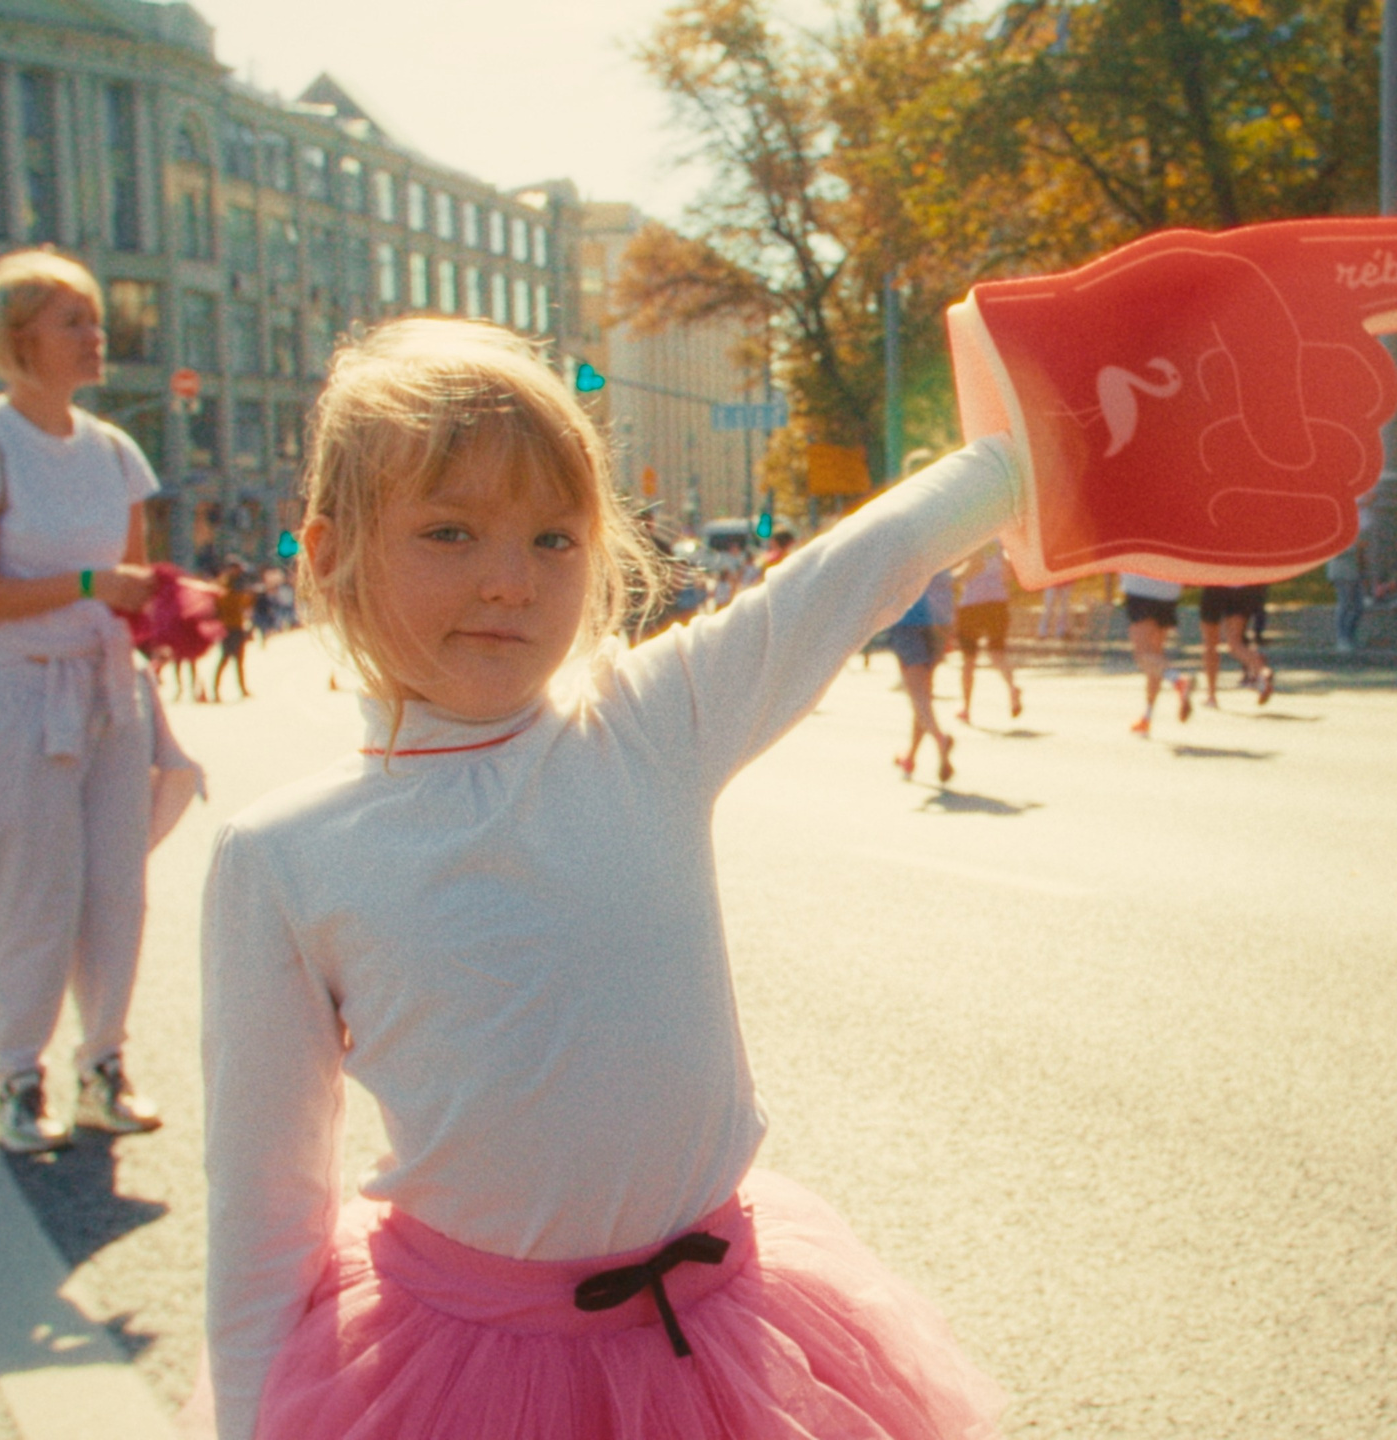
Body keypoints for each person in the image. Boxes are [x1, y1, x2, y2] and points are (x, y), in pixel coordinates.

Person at [200, 317, 1007, 1440]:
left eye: (553, 539)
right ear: (330, 554)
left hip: (728, 1345)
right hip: (469, 1379)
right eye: (448, 532)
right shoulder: (283, 854)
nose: (509, 582)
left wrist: (1025, 458)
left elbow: (854, 573)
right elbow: (264, 1210)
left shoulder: (647, 724)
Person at [0, 247, 201, 1154]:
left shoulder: (114, 451)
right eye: (76, 322)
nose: (98, 335)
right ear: (19, 338)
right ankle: (18, 1080)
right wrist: (89, 584)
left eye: (95, 319)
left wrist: (164, 607)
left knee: (116, 890)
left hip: (108, 689)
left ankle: (103, 1066)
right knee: (35, 893)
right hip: (12, 694)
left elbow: (129, 580)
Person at [889, 569, 957, 782]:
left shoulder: (900, 553)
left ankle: (940, 738)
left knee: (918, 696)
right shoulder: (939, 553)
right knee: (924, 698)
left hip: (907, 621)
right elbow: (973, 566)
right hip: (938, 623)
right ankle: (910, 757)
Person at [952, 543, 1021, 723]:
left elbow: (976, 565)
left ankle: (966, 708)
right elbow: (1008, 571)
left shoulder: (974, 536)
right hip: (998, 601)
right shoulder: (998, 540)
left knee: (969, 659)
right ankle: (1012, 687)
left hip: (972, 603)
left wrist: (953, 578)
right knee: (997, 652)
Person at [1120, 571, 1191, 734]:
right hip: (1169, 589)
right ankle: (1147, 716)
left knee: (1143, 654)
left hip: (1140, 587)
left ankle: (1178, 680)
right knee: (1156, 655)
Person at [1196, 582, 1274, 707]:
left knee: (1210, 645)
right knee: (1235, 643)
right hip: (1240, 586)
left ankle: (1211, 696)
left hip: (1214, 586)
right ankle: (1262, 671)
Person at [212, 561, 258, 701]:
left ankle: (240, 689)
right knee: (226, 659)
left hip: (236, 626)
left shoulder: (236, 583)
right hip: (229, 627)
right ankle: (217, 691)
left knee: (237, 660)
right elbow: (225, 602)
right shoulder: (225, 584)